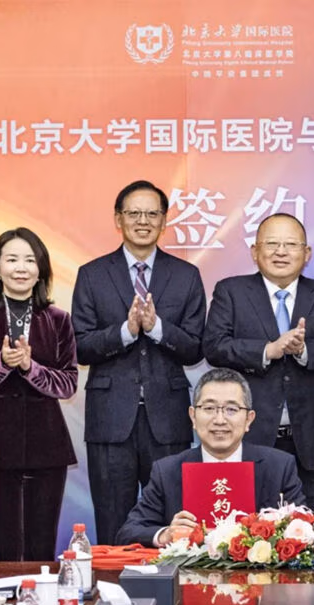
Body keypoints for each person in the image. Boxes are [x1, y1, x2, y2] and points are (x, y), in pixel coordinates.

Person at [72, 180, 206, 545]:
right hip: (110, 420)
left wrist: (157, 328)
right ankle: (114, 595)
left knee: (175, 519)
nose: (143, 221)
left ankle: (173, 598)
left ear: (164, 221)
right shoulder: (92, 274)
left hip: (169, 419)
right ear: (118, 219)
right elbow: (80, 347)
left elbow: (196, 348)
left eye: (152, 213)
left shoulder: (186, 275)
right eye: (134, 213)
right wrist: (126, 332)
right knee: (113, 519)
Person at [203, 213, 314, 509]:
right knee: (243, 530)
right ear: (255, 251)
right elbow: (214, 346)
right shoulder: (231, 291)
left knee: (308, 532)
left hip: (308, 438)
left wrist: (303, 351)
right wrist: (267, 350)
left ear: (306, 253)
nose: (280, 252)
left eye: (290, 244)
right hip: (248, 434)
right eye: (271, 243)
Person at [0, 227, 77, 561]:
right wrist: (0, 364)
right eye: (12, 259)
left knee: (42, 544)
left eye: (29, 260)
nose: (21, 267)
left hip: (47, 445)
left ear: (41, 269)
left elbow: (68, 383)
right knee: (2, 545)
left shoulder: (58, 319)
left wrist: (30, 367)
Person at [116, 368, 306, 547]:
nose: (220, 420)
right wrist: (166, 534)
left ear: (249, 419)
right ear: (193, 417)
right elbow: (128, 532)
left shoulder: (279, 467)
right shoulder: (167, 471)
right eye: (209, 408)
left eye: (231, 409)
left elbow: (305, 530)